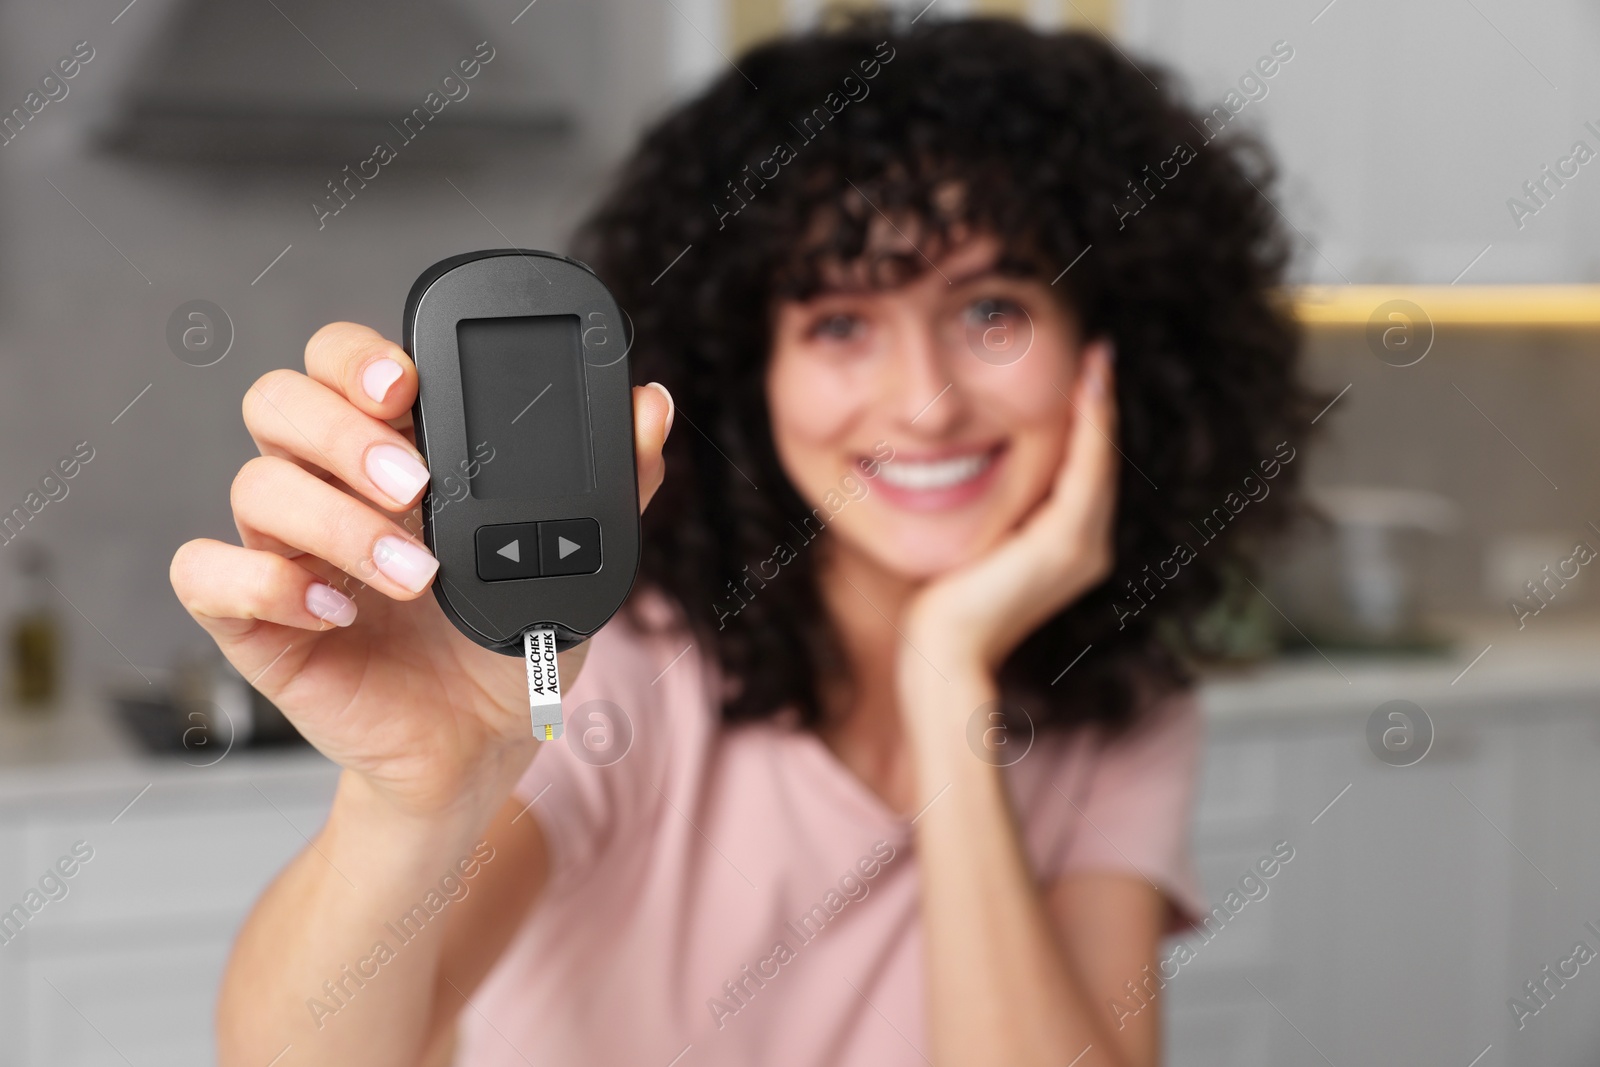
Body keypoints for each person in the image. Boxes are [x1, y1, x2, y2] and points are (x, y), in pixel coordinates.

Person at [171, 14, 1310, 1067]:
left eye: (990, 311)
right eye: (840, 321)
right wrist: (414, 798)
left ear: (1109, 351)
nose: (925, 402)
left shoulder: (1118, 704)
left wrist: (943, 672)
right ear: (744, 365)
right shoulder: (607, 658)